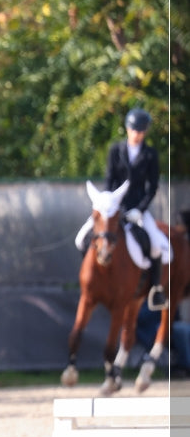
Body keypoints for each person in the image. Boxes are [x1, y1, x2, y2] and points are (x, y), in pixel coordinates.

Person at [74, 107, 170, 310]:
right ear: (127, 129)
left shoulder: (150, 155)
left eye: (141, 131)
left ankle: (155, 290)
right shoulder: (116, 150)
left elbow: (152, 187)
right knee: (81, 239)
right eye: (134, 130)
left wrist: (140, 210)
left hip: (137, 210)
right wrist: (108, 204)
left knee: (156, 245)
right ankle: (89, 279)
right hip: (112, 208)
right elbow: (110, 181)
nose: (137, 134)